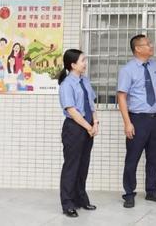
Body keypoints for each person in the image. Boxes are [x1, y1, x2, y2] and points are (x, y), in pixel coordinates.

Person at [117, 35, 156, 208]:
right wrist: (127, 122)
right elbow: (122, 96)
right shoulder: (127, 70)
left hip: (155, 119)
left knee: (154, 157)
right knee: (133, 157)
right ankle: (129, 193)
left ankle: (152, 191)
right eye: (147, 44)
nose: (151, 46)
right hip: (137, 119)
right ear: (138, 48)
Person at [58, 49, 98, 218]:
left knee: (83, 166)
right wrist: (88, 127)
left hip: (88, 127)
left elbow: (91, 103)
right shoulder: (67, 84)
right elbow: (72, 110)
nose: (85, 63)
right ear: (73, 65)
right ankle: (67, 203)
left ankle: (81, 198)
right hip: (74, 128)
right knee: (71, 166)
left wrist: (95, 123)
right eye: (83, 60)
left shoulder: (85, 81)